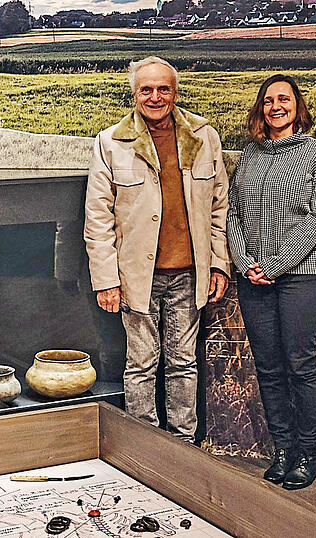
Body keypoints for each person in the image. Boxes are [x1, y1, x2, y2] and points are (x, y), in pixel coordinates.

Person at [85, 57, 230, 443]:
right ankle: (144, 446)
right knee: (140, 365)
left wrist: (219, 264)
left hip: (189, 273)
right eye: (146, 89)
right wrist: (106, 281)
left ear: (175, 91)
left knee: (184, 364)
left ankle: (184, 444)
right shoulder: (110, 143)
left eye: (163, 88)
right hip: (137, 278)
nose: (155, 96)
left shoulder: (203, 136)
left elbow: (219, 207)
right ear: (134, 95)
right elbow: (97, 220)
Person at [227, 74, 316, 490]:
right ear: (260, 108)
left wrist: (274, 264)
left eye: (284, 99)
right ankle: (283, 449)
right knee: (268, 368)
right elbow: (233, 213)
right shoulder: (249, 156)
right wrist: (245, 261)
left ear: (297, 107)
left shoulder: (315, 153)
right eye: (268, 100)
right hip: (253, 279)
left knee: (301, 365)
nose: (276, 106)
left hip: (301, 277)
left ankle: (308, 453)